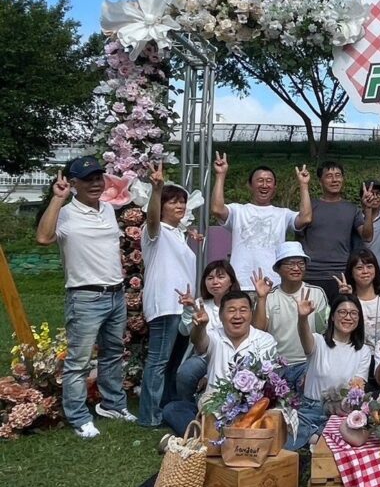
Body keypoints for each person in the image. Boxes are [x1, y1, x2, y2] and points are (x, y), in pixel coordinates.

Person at [35, 156, 136, 437]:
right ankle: (79, 417)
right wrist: (57, 198)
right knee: (78, 362)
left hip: (116, 294)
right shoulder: (66, 213)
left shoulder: (107, 210)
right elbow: (43, 238)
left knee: (113, 354)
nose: (95, 183)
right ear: (74, 184)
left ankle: (113, 404)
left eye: (98, 177)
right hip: (85, 297)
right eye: (88, 179)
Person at [162, 290, 277, 436]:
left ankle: (205, 439)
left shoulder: (265, 340)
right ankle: (204, 437)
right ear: (221, 316)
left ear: (251, 314)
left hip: (250, 408)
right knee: (173, 409)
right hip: (213, 407)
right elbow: (200, 343)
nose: (237, 316)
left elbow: (267, 379)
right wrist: (200, 326)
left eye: (243, 310)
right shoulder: (214, 335)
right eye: (231, 310)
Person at [138, 161, 194, 427]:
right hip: (164, 306)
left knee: (173, 361)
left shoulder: (179, 234)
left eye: (182, 202)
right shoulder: (154, 232)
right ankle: (149, 415)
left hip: (182, 307)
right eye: (173, 202)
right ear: (162, 207)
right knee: (159, 361)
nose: (179, 206)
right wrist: (157, 190)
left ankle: (167, 406)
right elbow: (151, 219)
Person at [210, 152, 313, 289]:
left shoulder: (283, 214)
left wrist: (304, 185)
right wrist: (220, 175)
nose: (264, 185)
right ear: (250, 185)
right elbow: (217, 209)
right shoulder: (237, 211)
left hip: (273, 285)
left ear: (274, 187)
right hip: (240, 285)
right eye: (259, 180)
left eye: (269, 181)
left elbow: (305, 218)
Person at [289, 293, 371, 450]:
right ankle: (317, 438)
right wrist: (302, 318)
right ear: (332, 316)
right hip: (309, 410)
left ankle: (317, 438)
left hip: (340, 413)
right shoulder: (318, 342)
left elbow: (358, 386)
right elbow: (305, 337)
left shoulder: (363, 351)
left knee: (351, 435)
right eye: (342, 312)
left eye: (353, 313)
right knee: (288, 436)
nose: (348, 317)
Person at [252, 242, 329, 390]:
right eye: (289, 264)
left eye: (301, 263)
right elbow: (258, 332)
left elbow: (323, 330)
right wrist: (261, 298)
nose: (296, 268)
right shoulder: (270, 296)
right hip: (277, 365)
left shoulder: (317, 293)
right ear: (278, 269)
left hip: (308, 363)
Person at [297, 161, 372, 303]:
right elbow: (298, 233)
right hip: (311, 274)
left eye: (338, 175)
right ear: (320, 180)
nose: (334, 179)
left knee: (342, 319)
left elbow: (367, 236)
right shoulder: (309, 207)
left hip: (342, 275)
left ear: (343, 179)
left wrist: (367, 210)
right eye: (329, 176)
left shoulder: (351, 209)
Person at [175, 260, 240, 401]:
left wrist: (207, 376)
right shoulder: (200, 303)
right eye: (210, 278)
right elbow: (184, 331)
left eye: (221, 277)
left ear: (231, 281)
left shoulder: (238, 305)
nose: (215, 282)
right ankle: (187, 406)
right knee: (186, 372)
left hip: (231, 356)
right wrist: (188, 310)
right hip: (203, 356)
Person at [335, 249, 380, 368]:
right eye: (359, 268)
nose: (365, 271)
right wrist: (346, 298)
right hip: (357, 360)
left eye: (369, 266)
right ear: (351, 272)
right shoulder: (349, 301)